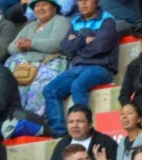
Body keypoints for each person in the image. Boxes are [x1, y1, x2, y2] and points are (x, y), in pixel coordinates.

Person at [43, 0, 117, 137]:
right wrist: (84, 40)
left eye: (86, 0)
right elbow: (65, 48)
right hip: (78, 67)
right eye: (79, 1)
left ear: (96, 1)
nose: (82, 4)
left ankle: (84, 130)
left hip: (101, 67)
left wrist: (76, 43)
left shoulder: (107, 20)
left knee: (78, 85)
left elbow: (99, 47)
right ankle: (60, 133)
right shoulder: (75, 21)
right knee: (50, 90)